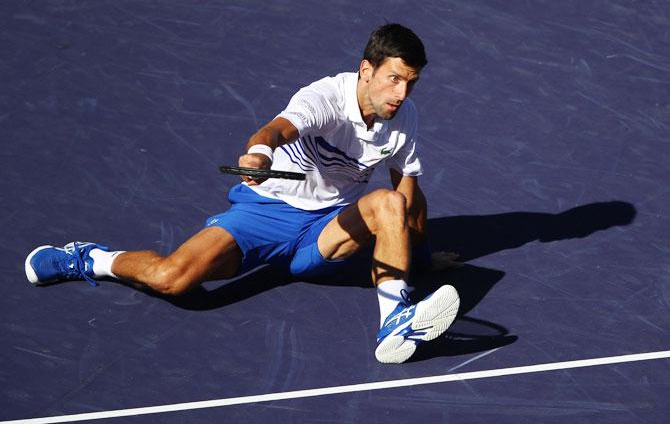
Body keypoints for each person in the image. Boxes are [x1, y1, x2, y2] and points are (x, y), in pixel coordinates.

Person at [24, 23, 460, 364]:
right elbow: (275, 129)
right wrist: (258, 152)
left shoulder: (405, 117)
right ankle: (89, 257)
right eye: (394, 80)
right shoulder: (325, 97)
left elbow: (407, 191)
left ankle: (393, 321)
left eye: (411, 83)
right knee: (173, 279)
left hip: (326, 230)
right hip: (265, 213)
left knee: (389, 202)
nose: (401, 94)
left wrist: (419, 259)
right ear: (366, 70)